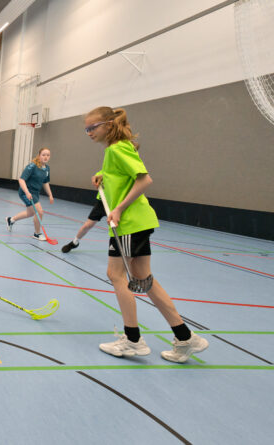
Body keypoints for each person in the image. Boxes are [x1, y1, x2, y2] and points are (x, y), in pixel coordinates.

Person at [85, 106, 208, 363]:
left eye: (92, 127)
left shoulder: (116, 149)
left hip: (128, 223)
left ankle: (132, 340)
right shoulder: (116, 150)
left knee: (115, 275)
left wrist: (118, 209)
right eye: (86, 129)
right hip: (137, 222)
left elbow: (144, 180)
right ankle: (186, 337)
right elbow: (125, 176)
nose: (88, 133)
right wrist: (103, 175)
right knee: (144, 279)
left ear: (108, 124)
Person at [5, 147, 54, 241]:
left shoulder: (47, 168)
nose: (46, 157)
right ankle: (37, 233)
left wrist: (50, 195)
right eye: (43, 155)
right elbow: (21, 179)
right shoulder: (32, 166)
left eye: (48, 155)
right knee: (39, 212)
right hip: (25, 192)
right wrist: (27, 192)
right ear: (39, 156)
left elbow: (45, 182)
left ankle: (11, 220)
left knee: (30, 213)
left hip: (35, 193)